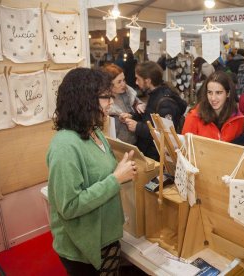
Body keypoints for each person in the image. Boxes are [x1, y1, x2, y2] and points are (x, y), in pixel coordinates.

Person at [47, 68, 138, 275]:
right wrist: (116, 179)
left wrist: (119, 171)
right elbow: (69, 206)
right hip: (84, 246)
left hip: (106, 237)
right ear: (84, 100)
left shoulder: (95, 131)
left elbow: (98, 177)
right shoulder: (65, 146)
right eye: (106, 97)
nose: (111, 103)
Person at [126, 61, 187, 160]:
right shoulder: (154, 95)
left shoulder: (165, 102)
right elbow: (150, 118)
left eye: (138, 79)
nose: (136, 82)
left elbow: (164, 133)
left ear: (148, 81)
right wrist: (133, 116)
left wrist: (137, 127)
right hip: (150, 153)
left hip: (158, 157)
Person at [182, 71, 244, 143]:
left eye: (218, 93)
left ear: (228, 93)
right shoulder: (194, 116)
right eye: (210, 92)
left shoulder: (238, 119)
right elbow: (185, 147)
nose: (213, 98)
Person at [101, 64, 145, 145]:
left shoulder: (129, 93)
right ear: (108, 85)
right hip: (116, 146)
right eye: (119, 82)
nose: (123, 84)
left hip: (135, 143)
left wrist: (139, 105)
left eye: (124, 80)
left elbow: (140, 109)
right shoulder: (103, 103)